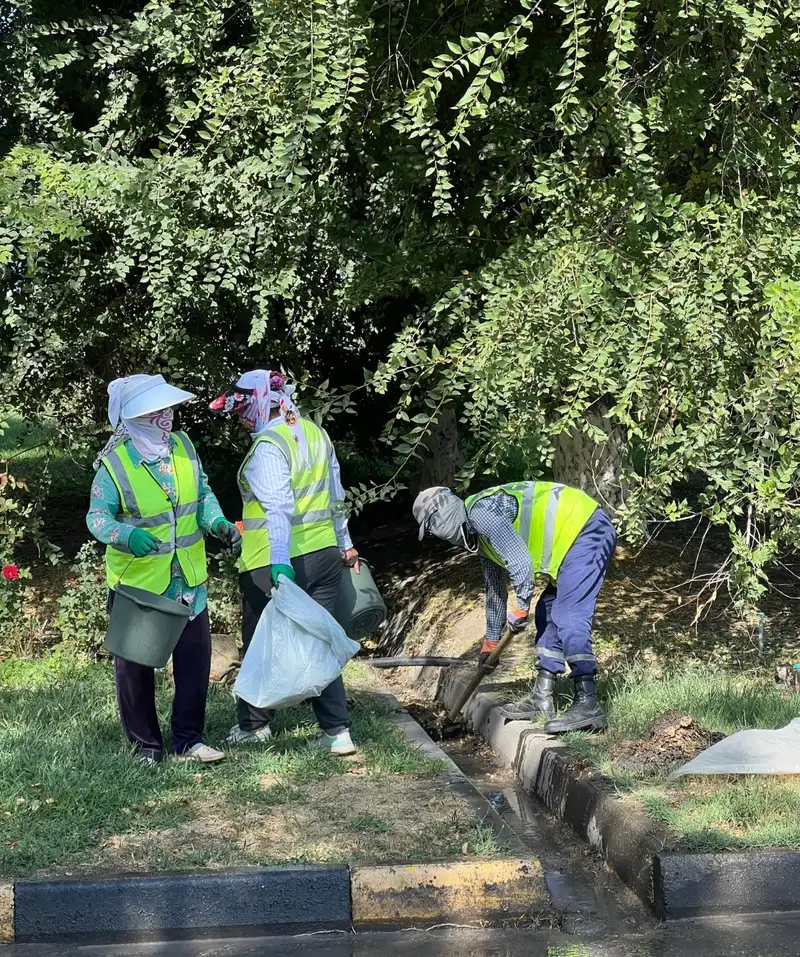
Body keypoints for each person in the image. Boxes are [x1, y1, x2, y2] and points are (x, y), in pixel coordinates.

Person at [87, 374, 242, 764]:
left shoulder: (184, 447)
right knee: (135, 667)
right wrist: (125, 535)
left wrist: (219, 523)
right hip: (139, 585)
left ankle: (188, 741)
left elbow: (203, 493)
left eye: (168, 408)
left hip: (188, 579)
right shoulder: (114, 465)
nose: (166, 417)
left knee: (194, 662)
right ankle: (145, 747)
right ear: (134, 418)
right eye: (155, 411)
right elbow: (96, 517)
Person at [210, 369, 359, 755]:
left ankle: (253, 726)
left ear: (262, 403)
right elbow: (336, 492)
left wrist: (280, 563)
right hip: (325, 555)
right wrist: (345, 543)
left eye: (243, 409)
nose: (241, 418)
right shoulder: (314, 433)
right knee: (317, 640)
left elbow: (278, 508)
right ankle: (337, 732)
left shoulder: (268, 446)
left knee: (260, 641)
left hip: (273, 563)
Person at [412, 481, 616, 733]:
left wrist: (520, 607)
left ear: (439, 515)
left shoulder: (481, 513)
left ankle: (588, 703)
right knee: (547, 613)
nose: (437, 535)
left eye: (431, 528)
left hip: (586, 529)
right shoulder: (480, 539)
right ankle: (542, 698)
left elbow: (521, 562)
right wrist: (490, 643)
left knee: (568, 613)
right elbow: (495, 591)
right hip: (569, 542)